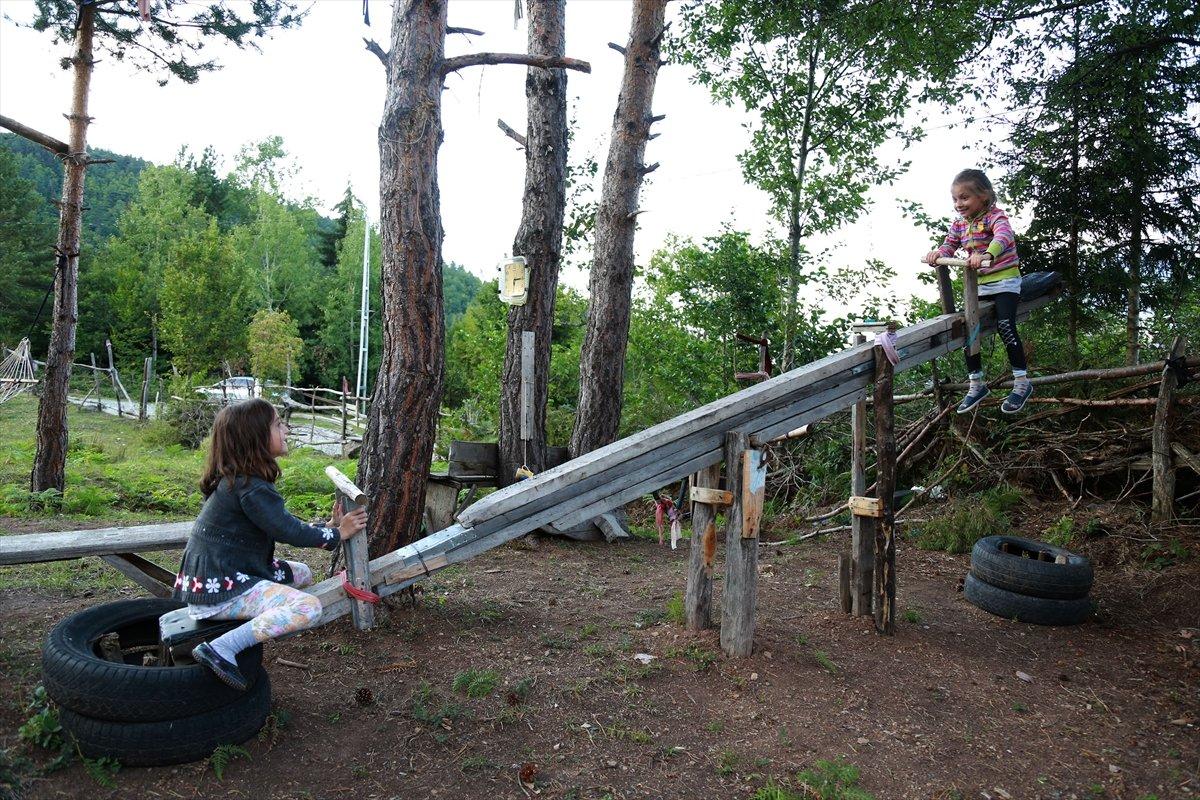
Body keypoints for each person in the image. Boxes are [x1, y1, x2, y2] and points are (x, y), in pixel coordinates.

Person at [173, 398, 367, 690]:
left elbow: (280, 524)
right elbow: (288, 531)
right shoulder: (250, 487)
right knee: (309, 608)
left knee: (302, 573)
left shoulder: (241, 481)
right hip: (221, 588)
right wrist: (338, 534)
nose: (286, 430)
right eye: (278, 424)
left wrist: (327, 528)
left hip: (222, 573)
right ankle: (221, 648)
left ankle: (272, 617)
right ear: (255, 438)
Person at [925, 168, 1034, 414]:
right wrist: (938, 255)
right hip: (980, 286)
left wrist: (987, 254)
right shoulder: (959, 225)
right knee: (969, 330)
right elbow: (949, 245)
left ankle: (1022, 383)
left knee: (1006, 325)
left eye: (964, 198)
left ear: (983, 196)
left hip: (1005, 281)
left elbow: (1003, 237)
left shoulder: (996, 217)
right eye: (955, 199)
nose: (958, 204)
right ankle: (976, 384)